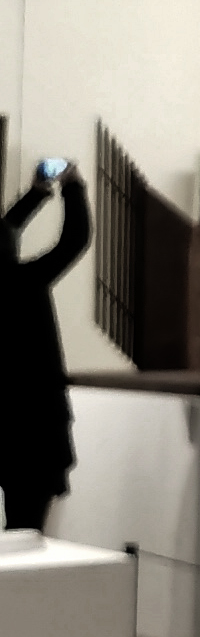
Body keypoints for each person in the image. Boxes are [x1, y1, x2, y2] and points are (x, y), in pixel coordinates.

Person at [0, 158, 93, 532]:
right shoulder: (25, 283)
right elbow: (74, 241)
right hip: (34, 431)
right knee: (25, 530)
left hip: (8, 427)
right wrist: (72, 186)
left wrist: (36, 195)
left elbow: (6, 229)